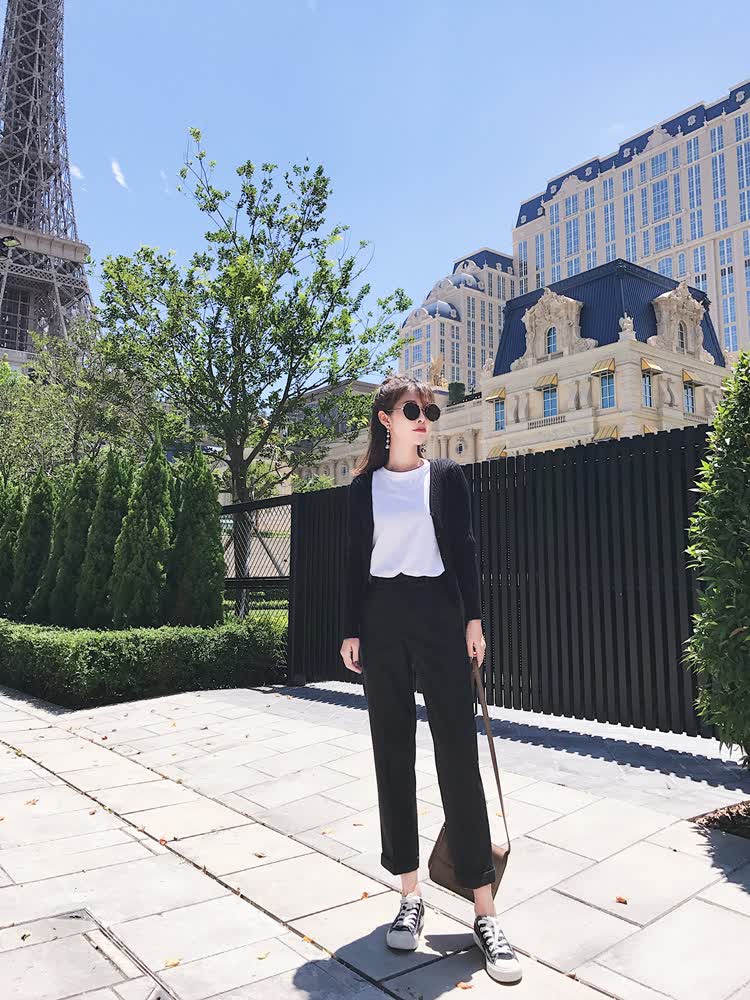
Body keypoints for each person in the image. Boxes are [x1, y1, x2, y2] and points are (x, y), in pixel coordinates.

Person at [339, 373, 522, 985]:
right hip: (382, 619)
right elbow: (354, 563)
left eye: (429, 412)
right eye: (412, 410)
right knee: (392, 754)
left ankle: (484, 909)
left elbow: (464, 550)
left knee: (458, 756)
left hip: (439, 615)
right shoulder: (363, 488)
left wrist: (474, 619)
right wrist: (351, 629)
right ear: (386, 419)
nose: (424, 419)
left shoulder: (445, 479)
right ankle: (409, 894)